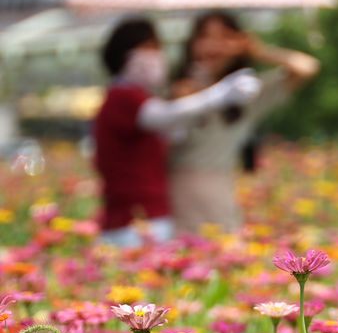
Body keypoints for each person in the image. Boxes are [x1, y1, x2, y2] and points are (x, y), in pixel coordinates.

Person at [94, 17, 260, 247]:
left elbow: (173, 132)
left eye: (156, 47)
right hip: (136, 220)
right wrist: (219, 94)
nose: (155, 56)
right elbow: (165, 116)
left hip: (145, 215)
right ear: (124, 54)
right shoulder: (123, 97)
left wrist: (198, 87)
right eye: (147, 48)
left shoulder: (136, 96)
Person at [169, 11, 320, 235]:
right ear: (191, 42)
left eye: (224, 38)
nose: (213, 45)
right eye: (204, 36)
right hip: (171, 197)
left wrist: (259, 51)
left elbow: (307, 67)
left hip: (218, 194)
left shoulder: (245, 94)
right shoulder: (172, 88)